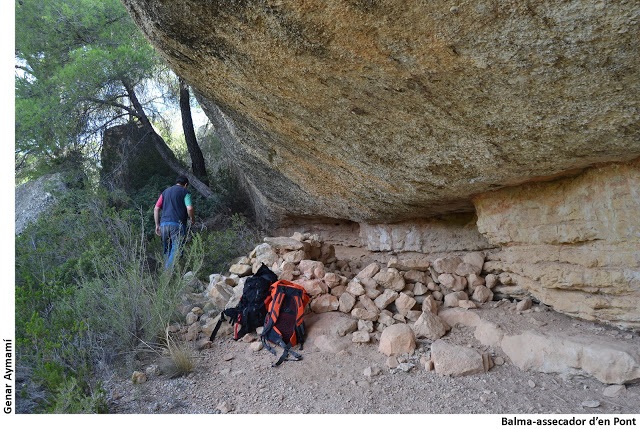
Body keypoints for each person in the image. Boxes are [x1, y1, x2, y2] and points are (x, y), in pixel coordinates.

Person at [154, 175, 195, 268]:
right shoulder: (185, 192)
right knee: (176, 251)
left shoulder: (165, 192)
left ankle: (165, 277)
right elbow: (189, 207)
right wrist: (192, 218)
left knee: (167, 250)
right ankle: (168, 274)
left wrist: (157, 225)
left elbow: (156, 208)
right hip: (177, 224)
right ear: (185, 185)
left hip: (164, 225)